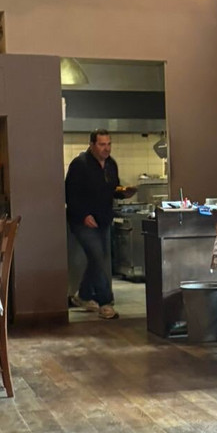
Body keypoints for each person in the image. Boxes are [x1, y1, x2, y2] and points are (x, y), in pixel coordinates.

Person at [65, 130, 136, 318]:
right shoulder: (80, 164)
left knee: (98, 258)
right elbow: (70, 194)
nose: (107, 148)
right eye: (102, 144)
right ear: (92, 145)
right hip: (83, 221)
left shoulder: (111, 165)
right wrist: (83, 215)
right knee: (98, 258)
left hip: (103, 219)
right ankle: (106, 302)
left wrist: (123, 193)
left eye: (109, 144)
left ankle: (83, 295)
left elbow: (112, 189)